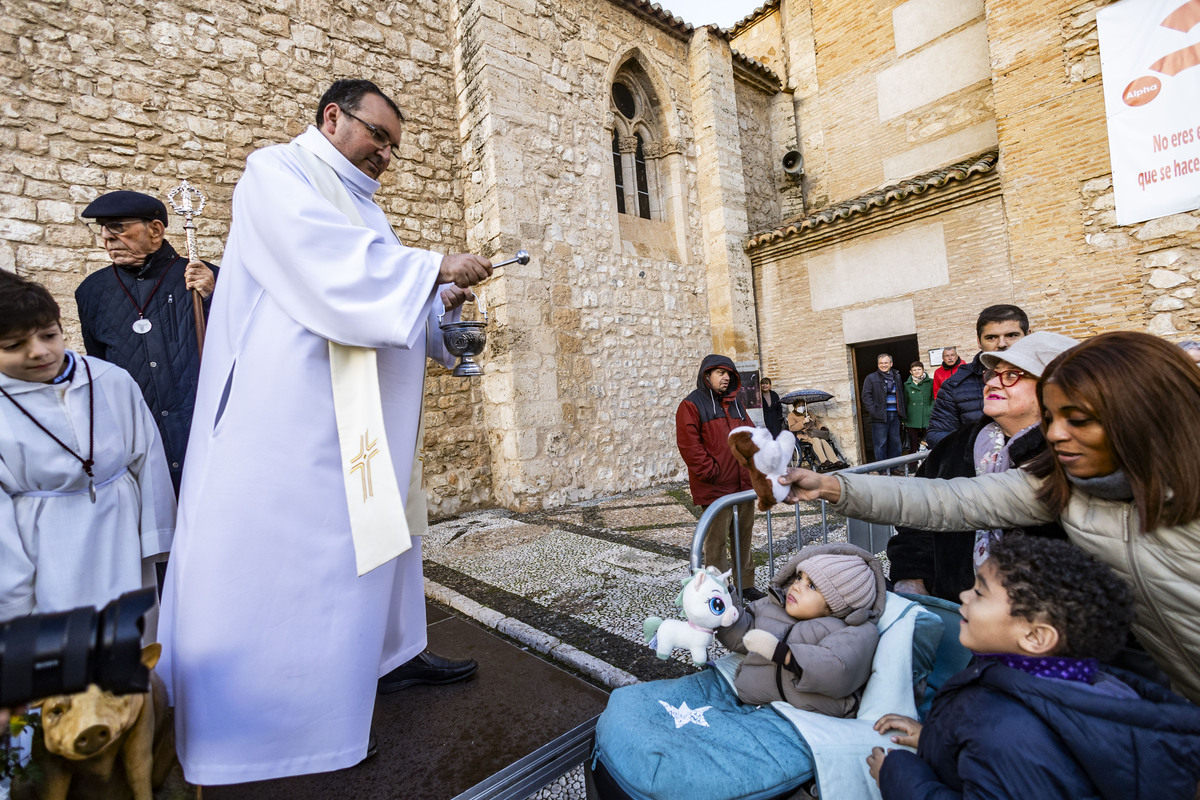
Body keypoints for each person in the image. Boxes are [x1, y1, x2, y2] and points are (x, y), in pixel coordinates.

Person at [157, 78, 493, 783]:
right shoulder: (275, 171)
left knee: (377, 547)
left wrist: (437, 302)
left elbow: (381, 293)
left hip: (361, 420)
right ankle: (296, 725)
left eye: (395, 147)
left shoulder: (369, 212)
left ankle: (385, 659)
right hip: (292, 421)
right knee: (302, 565)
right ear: (333, 116)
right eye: (379, 137)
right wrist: (431, 266)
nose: (387, 157)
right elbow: (326, 267)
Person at [779, 331, 1200, 704]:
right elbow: (947, 501)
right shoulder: (1061, 481)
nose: (1053, 434)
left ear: (1137, 414)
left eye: (1078, 419)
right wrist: (830, 487)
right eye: (1052, 418)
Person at [869, 536, 1200, 800]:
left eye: (980, 592)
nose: (963, 596)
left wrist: (900, 776)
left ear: (1036, 636)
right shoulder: (1093, 687)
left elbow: (1002, 755)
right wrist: (932, 739)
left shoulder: (1003, 727)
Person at [0, 272, 174, 627]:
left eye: (49, 335)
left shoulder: (110, 379)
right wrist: (12, 596)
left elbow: (147, 456)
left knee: (131, 634)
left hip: (119, 530)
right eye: (14, 346)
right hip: (43, 545)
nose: (39, 352)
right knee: (61, 647)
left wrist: (158, 539)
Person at [888, 333, 1076, 600]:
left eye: (1012, 376)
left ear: (1054, 389)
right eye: (993, 374)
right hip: (953, 606)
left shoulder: (1072, 456)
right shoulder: (956, 444)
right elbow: (914, 515)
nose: (991, 384)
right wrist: (911, 575)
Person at [75, 191, 218, 494]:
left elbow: (244, 343)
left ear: (155, 230)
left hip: (204, 431)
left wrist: (213, 297)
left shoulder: (203, 278)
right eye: (101, 229)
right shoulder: (91, 292)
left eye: (117, 227)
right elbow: (100, 370)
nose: (106, 237)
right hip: (139, 438)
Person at [716, 543, 885, 715]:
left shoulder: (853, 631)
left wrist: (786, 655)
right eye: (798, 577)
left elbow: (839, 668)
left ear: (837, 605)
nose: (796, 586)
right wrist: (723, 604)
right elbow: (742, 636)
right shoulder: (771, 608)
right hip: (753, 700)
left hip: (810, 716)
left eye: (811, 586)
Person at [676, 354, 760, 601]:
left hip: (743, 483)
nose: (725, 377)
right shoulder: (691, 405)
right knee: (716, 543)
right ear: (707, 375)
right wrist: (712, 473)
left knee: (743, 536)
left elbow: (750, 434)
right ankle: (719, 589)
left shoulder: (736, 404)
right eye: (720, 373)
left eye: (729, 374)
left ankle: (746, 585)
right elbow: (689, 446)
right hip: (716, 487)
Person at [926, 304, 1028, 448]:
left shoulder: (1046, 376)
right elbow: (937, 434)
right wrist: (983, 447)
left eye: (1012, 335)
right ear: (979, 342)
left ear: (1028, 335)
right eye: (991, 337)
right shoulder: (954, 386)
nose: (1002, 344)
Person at [860, 353, 906, 463]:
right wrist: (874, 411)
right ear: (877, 365)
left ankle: (894, 467)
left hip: (895, 415)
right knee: (881, 443)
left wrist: (902, 412)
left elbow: (901, 394)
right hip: (879, 416)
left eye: (886, 362)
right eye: (881, 363)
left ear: (891, 363)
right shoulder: (871, 378)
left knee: (895, 443)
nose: (883, 365)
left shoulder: (897, 376)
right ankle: (882, 469)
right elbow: (866, 396)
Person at [786, 403, 845, 471]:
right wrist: (803, 422)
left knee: (823, 441)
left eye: (802, 405)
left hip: (814, 433)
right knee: (816, 440)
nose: (801, 407)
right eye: (799, 406)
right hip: (803, 435)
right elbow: (792, 428)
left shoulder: (810, 413)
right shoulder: (791, 415)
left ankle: (835, 461)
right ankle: (824, 461)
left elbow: (817, 422)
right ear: (795, 407)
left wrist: (822, 427)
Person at [901, 361, 932, 454]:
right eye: (914, 370)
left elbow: (934, 398)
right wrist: (903, 419)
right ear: (911, 372)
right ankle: (912, 466)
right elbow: (905, 402)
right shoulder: (907, 385)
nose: (917, 371)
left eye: (919, 369)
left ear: (923, 370)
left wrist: (930, 409)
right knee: (913, 443)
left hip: (927, 415)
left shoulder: (931, 382)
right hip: (912, 416)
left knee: (929, 441)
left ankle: (931, 465)